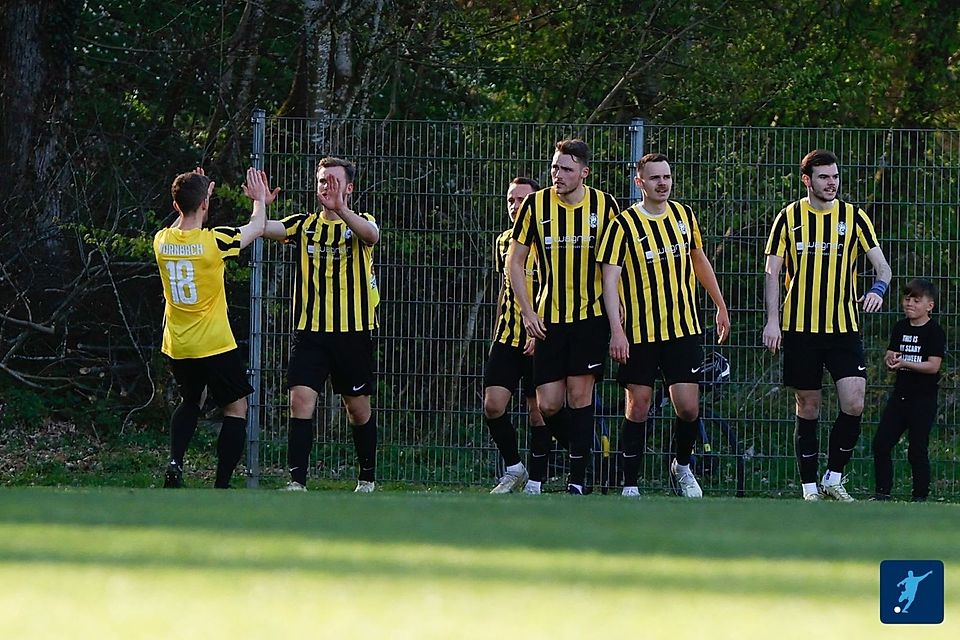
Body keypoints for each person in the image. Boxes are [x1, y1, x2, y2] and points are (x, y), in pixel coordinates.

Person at [597, 153, 730, 499]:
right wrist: (617, 330)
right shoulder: (623, 225)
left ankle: (682, 466)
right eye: (655, 178)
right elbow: (609, 280)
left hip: (682, 330)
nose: (663, 183)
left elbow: (698, 260)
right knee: (638, 406)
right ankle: (630, 484)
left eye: (667, 177)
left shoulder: (684, 216)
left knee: (688, 407)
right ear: (640, 182)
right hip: (639, 334)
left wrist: (720, 305)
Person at [763, 149, 892, 502]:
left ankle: (833, 477)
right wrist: (773, 321)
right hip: (800, 329)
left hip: (843, 328)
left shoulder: (854, 217)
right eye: (823, 177)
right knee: (808, 406)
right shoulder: (788, 217)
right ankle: (809, 488)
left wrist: (878, 290)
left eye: (835, 176)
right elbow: (772, 271)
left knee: (854, 402)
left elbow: (883, 268)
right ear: (807, 180)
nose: (831, 183)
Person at [263, 157, 380, 492]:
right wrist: (260, 204)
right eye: (322, 181)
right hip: (310, 333)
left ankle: (367, 478)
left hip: (353, 333)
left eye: (334, 181)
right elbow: (263, 228)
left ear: (349, 188)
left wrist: (341, 209)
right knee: (300, 400)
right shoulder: (303, 225)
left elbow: (371, 236)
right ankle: (297, 481)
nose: (327, 186)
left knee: (357, 410)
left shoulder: (361, 222)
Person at [509, 138, 620, 495]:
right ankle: (587, 456)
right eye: (555, 167)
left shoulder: (605, 205)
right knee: (548, 403)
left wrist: (617, 318)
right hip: (549, 318)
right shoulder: (535, 205)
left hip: (590, 317)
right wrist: (527, 312)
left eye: (567, 169)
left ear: (584, 173)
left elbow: (614, 265)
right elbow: (515, 262)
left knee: (579, 395)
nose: (558, 174)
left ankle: (577, 480)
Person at [154, 167, 270, 488]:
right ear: (205, 204)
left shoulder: (161, 241)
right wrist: (259, 199)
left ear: (176, 205)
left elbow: (181, 222)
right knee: (236, 408)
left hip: (179, 345)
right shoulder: (214, 242)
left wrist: (194, 195)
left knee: (191, 401)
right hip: (215, 344)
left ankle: (175, 462)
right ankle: (221, 484)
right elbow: (257, 226)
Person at [485, 177, 546, 494]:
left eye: (522, 200)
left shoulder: (548, 241)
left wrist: (540, 329)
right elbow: (504, 288)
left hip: (541, 336)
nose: (515, 206)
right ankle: (514, 468)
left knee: (539, 412)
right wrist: (497, 329)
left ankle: (536, 481)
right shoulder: (503, 241)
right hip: (507, 337)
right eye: (511, 200)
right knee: (493, 405)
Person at [872, 279, 945, 501]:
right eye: (907, 299)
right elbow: (890, 353)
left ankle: (919, 497)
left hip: (923, 399)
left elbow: (933, 366)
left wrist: (905, 363)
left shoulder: (934, 331)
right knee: (881, 444)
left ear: (929, 306)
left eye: (916, 300)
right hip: (899, 398)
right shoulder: (900, 327)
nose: (909, 304)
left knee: (917, 450)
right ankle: (882, 493)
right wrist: (890, 359)